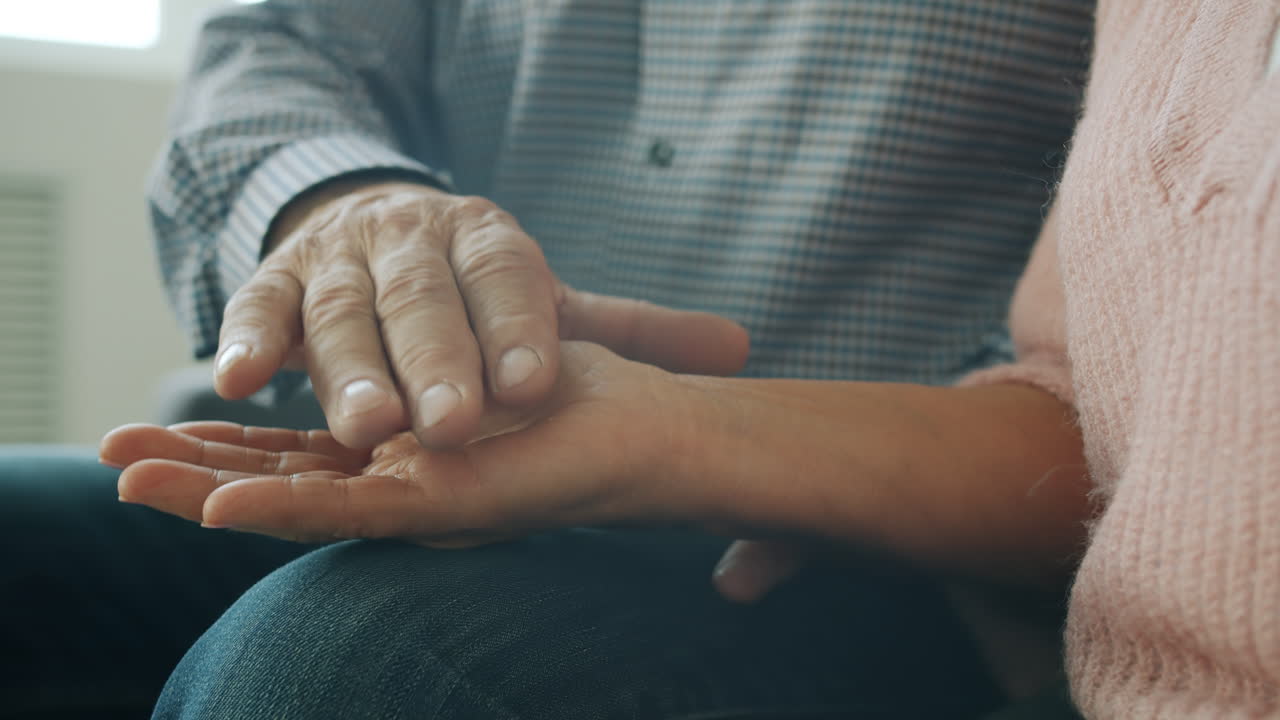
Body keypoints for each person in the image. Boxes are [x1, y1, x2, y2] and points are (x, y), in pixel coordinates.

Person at [104, 0, 1280, 717]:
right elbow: (285, 43)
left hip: (843, 566)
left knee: (349, 658)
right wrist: (341, 203)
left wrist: (699, 439)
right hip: (390, 459)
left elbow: (1117, 393)